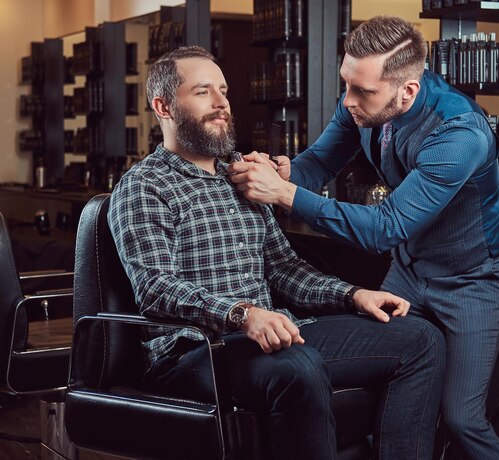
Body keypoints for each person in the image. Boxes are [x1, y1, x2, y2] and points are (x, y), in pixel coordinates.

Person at [107, 45, 445, 460]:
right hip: (194, 351)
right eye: (203, 92)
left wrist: (353, 295)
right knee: (298, 369)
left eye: (224, 90)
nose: (221, 103)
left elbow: (284, 268)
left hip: (274, 335)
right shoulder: (144, 186)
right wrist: (243, 314)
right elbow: (156, 288)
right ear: (163, 106)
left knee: (420, 339)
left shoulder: (245, 175)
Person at [229, 16, 499, 460]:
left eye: (361, 92)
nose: (347, 101)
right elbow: (319, 163)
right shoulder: (364, 97)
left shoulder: (460, 134)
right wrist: (282, 173)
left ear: (407, 92)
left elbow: (385, 228)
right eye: (346, 84)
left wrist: (285, 194)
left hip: (471, 278)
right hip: (409, 268)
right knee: (390, 381)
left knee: (462, 417)